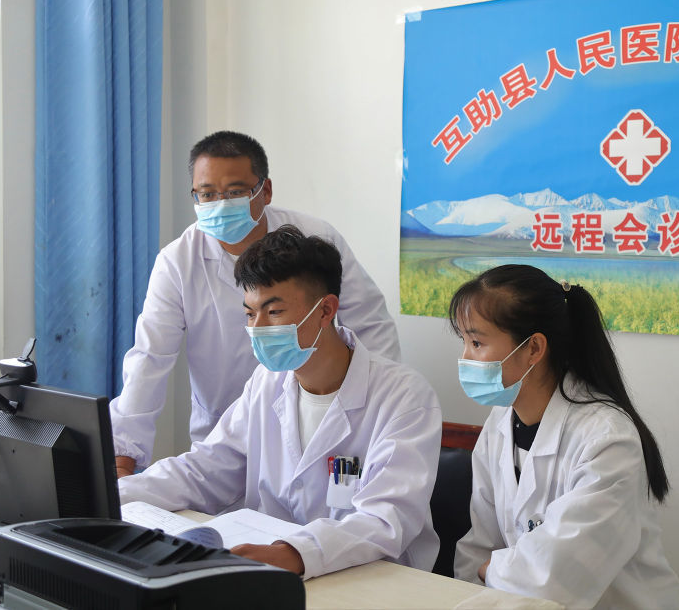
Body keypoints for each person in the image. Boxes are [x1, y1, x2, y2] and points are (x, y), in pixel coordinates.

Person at [120, 226, 441, 577]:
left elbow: (385, 519)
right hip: (272, 573)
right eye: (249, 314)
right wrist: (114, 494)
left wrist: (294, 553)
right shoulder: (266, 383)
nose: (257, 328)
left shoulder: (404, 397)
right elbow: (205, 470)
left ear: (326, 310)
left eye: (273, 312)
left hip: (371, 580)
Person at [110, 131, 401, 477]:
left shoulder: (314, 241)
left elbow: (370, 326)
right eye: (207, 194)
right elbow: (149, 358)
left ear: (265, 191)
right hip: (222, 438)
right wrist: (123, 457)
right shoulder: (177, 262)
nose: (220, 204)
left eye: (235, 192)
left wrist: (380, 414)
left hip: (317, 425)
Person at [450, 265, 679, 609]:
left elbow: (552, 577)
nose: (465, 358)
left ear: (533, 348)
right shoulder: (500, 421)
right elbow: (479, 545)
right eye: (464, 342)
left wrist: (491, 571)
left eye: (477, 342)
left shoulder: (608, 440)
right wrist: (479, 579)